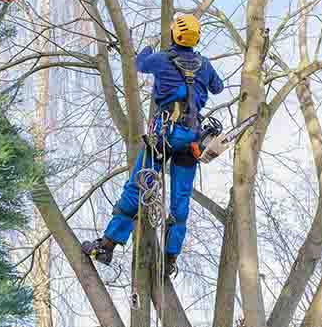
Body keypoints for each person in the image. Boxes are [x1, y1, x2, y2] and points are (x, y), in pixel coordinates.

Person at [82, 14, 224, 276]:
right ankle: (169, 260)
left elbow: (140, 64)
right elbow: (218, 87)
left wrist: (147, 47)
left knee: (139, 185)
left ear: (174, 35)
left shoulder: (161, 59)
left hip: (164, 135)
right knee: (180, 199)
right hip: (192, 138)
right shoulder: (204, 65)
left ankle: (107, 245)